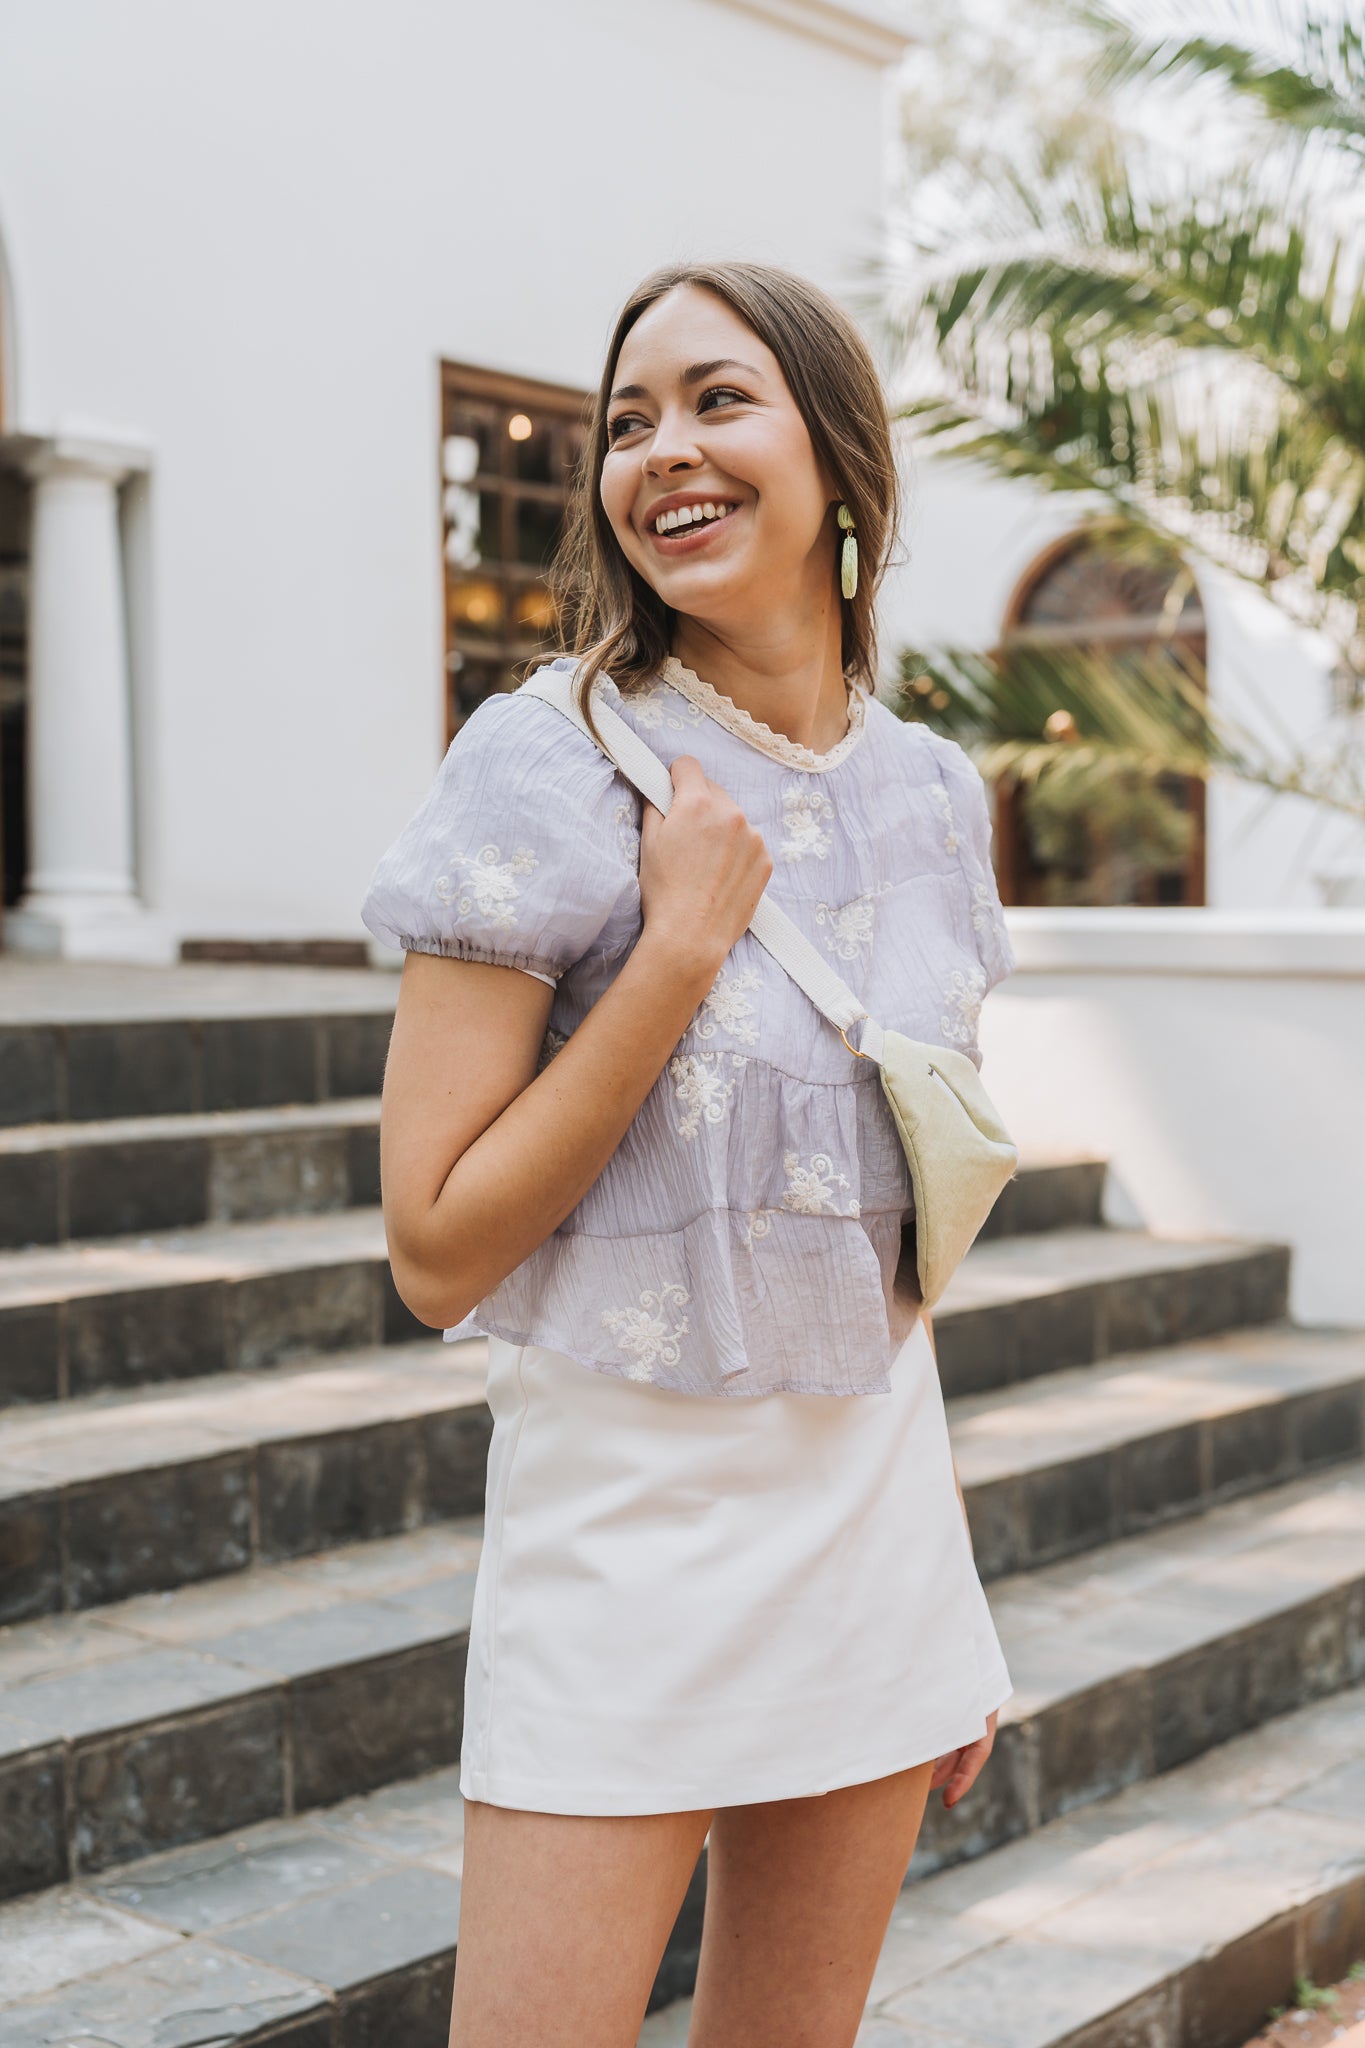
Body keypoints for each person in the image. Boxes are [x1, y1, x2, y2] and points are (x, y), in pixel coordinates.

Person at [361, 259, 1016, 2048]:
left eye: (718, 400)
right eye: (626, 422)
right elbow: (432, 1251)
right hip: (625, 1541)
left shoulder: (932, 796)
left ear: (838, 459)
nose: (664, 450)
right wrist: (670, 958)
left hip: (872, 1536)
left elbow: (898, 1243)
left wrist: (946, 1593)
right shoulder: (542, 759)